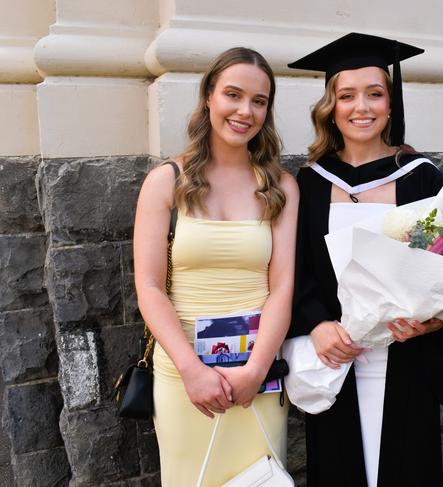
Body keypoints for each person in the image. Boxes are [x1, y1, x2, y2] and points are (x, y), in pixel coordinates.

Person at [287, 33, 443, 487]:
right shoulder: (309, 184)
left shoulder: (423, 179)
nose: (361, 107)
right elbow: (293, 270)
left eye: (375, 94)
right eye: (347, 96)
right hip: (336, 356)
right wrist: (317, 324)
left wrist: (437, 319)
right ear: (331, 106)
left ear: (391, 103)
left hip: (406, 357)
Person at [133, 47, 298, 486]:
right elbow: (149, 286)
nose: (245, 111)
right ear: (208, 97)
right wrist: (192, 370)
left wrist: (255, 370)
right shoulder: (166, 180)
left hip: (256, 374)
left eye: (259, 101)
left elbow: (282, 286)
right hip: (183, 375)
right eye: (233, 94)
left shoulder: (281, 187)